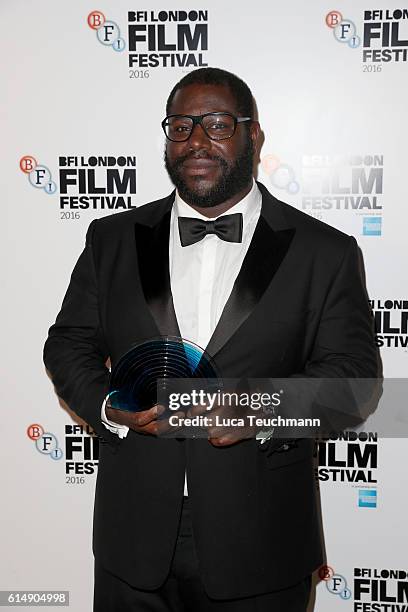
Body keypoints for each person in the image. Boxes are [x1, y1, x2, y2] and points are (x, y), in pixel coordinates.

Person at [43, 67, 378, 611]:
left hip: (263, 543)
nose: (196, 139)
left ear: (255, 136)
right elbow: (68, 344)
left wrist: (260, 409)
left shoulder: (325, 253)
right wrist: (110, 405)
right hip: (132, 543)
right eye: (180, 125)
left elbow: (356, 383)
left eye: (218, 123)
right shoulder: (112, 239)